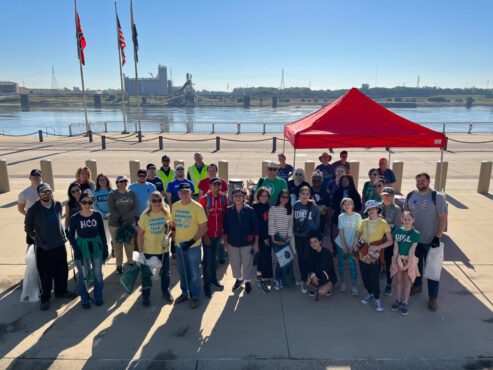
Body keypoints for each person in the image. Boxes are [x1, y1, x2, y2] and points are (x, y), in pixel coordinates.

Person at [25, 183, 76, 311]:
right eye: (43, 193)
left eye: (48, 192)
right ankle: (45, 298)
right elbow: (28, 228)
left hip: (59, 244)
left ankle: (61, 291)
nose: (46, 195)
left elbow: (59, 221)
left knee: (62, 270)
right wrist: (38, 239)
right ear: (38, 195)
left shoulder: (58, 205)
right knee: (45, 274)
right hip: (43, 248)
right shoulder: (33, 210)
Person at [404, 172, 447, 311]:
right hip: (414, 240)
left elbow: (443, 218)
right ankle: (417, 286)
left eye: (423, 180)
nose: (420, 182)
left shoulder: (437, 197)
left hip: (430, 240)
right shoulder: (411, 195)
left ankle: (433, 298)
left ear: (428, 181)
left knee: (432, 270)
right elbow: (406, 215)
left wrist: (437, 237)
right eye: (418, 180)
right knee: (415, 266)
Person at [67, 192, 108, 309]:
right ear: (80, 203)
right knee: (82, 274)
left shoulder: (97, 215)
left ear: (92, 203)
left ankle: (98, 296)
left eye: (89, 202)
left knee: (97, 273)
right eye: (84, 202)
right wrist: (76, 249)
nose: (86, 204)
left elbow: (102, 232)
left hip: (96, 246)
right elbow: (71, 235)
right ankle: (84, 298)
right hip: (82, 246)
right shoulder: (75, 218)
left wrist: (104, 247)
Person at [171, 182, 208, 309]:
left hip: (193, 247)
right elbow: (173, 224)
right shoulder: (175, 206)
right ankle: (184, 293)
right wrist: (172, 236)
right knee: (182, 272)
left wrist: (192, 241)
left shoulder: (197, 207)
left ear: (191, 193)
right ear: (178, 194)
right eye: (182, 193)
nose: (184, 195)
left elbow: (204, 227)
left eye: (187, 192)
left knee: (194, 272)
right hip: (179, 246)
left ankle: (196, 296)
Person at [353, 200, 393, 312]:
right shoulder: (364, 222)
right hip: (363, 252)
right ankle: (370, 293)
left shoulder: (383, 223)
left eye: (373, 208)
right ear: (367, 211)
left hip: (375, 254)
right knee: (365, 276)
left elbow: (390, 241)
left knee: (374, 277)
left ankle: (377, 298)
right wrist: (356, 240)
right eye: (369, 209)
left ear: (377, 209)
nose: (371, 211)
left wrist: (378, 247)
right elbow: (358, 233)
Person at [137, 191, 173, 306]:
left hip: (163, 250)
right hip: (148, 251)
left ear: (162, 202)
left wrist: (169, 236)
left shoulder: (166, 213)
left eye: (159, 200)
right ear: (150, 202)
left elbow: (171, 228)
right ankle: (146, 295)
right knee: (147, 275)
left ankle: (166, 291)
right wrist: (141, 253)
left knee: (165, 273)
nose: (157, 203)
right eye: (154, 201)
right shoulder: (145, 215)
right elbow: (139, 236)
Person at [223, 189, 259, 294]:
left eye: (240, 196)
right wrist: (225, 243)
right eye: (235, 196)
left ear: (244, 197)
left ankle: (247, 281)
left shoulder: (250, 210)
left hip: (247, 242)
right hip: (232, 242)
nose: (238, 198)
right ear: (232, 198)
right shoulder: (229, 211)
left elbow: (256, 228)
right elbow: (225, 228)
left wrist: (256, 243)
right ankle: (239, 279)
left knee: (247, 262)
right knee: (235, 263)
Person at [199, 177, 228, 298]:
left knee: (214, 259)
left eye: (218, 185)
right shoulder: (204, 199)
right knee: (207, 261)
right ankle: (206, 285)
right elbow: (200, 220)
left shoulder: (223, 198)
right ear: (210, 186)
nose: (216, 187)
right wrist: (204, 235)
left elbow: (224, 215)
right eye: (214, 185)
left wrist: (223, 233)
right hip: (208, 235)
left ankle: (213, 279)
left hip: (218, 234)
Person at [391, 211, 420, 316]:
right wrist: (395, 259)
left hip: (409, 259)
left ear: (413, 220)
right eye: (405, 219)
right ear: (402, 219)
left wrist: (408, 264)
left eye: (409, 219)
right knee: (398, 281)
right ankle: (397, 300)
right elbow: (396, 247)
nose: (407, 221)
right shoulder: (398, 231)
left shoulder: (415, 234)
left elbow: (412, 250)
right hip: (399, 258)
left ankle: (405, 302)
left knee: (407, 282)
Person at [107, 175, 138, 274]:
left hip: (129, 223)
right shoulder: (112, 194)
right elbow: (112, 209)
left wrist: (125, 218)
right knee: (117, 245)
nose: (123, 183)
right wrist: (120, 219)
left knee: (130, 243)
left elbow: (134, 208)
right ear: (117, 183)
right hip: (115, 224)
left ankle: (130, 261)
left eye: (125, 181)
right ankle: (119, 265)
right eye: (120, 182)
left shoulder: (131, 193)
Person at [293, 186, 320, 293]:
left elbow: (317, 224)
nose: (305, 196)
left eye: (307, 194)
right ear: (299, 195)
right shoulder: (295, 206)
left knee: (308, 257)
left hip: (309, 236)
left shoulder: (313, 207)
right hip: (299, 236)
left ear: (310, 195)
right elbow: (292, 221)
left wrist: (308, 225)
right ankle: (303, 278)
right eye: (303, 194)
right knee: (301, 258)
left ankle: (307, 279)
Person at [334, 198, 362, 296]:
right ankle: (342, 282)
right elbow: (341, 232)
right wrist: (344, 247)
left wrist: (353, 245)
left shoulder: (358, 216)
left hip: (353, 245)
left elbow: (358, 232)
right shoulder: (341, 216)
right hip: (342, 244)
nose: (347, 206)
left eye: (349, 204)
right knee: (341, 263)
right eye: (344, 204)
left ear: (352, 205)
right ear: (342, 207)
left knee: (352, 264)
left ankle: (354, 285)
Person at [379, 187, 402, 297]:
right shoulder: (377, 207)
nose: (386, 197)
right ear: (381, 196)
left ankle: (389, 284)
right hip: (377, 240)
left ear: (393, 197)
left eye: (389, 195)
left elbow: (397, 227)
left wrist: (390, 241)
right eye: (384, 195)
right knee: (376, 261)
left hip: (389, 241)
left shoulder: (397, 209)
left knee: (389, 263)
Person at [331, 175, 362, 246]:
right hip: (337, 219)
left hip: (351, 221)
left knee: (349, 238)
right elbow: (332, 207)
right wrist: (330, 219)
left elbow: (358, 207)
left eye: (346, 180)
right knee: (335, 238)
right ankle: (336, 252)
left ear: (350, 182)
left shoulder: (355, 194)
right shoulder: (336, 193)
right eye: (342, 181)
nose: (344, 182)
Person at [252, 187, 272, 293]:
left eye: (266, 196)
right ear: (258, 196)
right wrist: (264, 237)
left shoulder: (267, 206)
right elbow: (258, 224)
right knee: (266, 257)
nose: (264, 197)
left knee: (261, 257)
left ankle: (259, 275)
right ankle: (264, 280)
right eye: (262, 195)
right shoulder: (255, 207)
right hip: (261, 237)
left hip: (267, 235)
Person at [306, 234, 337, 298]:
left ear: (320, 242)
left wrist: (311, 277)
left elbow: (321, 267)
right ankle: (317, 285)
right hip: (318, 275)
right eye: (311, 242)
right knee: (310, 279)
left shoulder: (326, 252)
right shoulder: (311, 252)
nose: (313, 244)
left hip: (329, 277)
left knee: (321, 292)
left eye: (315, 241)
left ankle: (328, 287)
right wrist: (311, 275)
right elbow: (309, 266)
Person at [18, 169, 42, 247]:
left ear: (42, 179)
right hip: (32, 224)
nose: (36, 180)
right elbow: (20, 209)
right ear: (30, 178)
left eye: (38, 178)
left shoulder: (47, 191)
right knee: (31, 244)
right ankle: (29, 259)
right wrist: (29, 216)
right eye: (33, 178)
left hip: (45, 221)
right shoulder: (24, 193)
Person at [93, 174, 113, 252]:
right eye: (100, 180)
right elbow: (94, 205)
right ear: (98, 182)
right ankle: (106, 249)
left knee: (113, 234)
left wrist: (110, 213)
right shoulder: (95, 192)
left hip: (112, 216)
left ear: (107, 180)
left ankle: (114, 249)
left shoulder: (112, 191)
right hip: (102, 217)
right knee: (105, 234)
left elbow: (115, 203)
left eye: (104, 179)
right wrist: (102, 213)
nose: (102, 181)